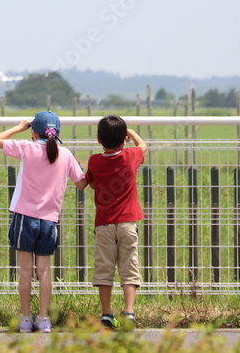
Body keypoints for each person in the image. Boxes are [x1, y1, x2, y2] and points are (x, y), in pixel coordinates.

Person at [0, 111, 85, 333]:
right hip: (49, 220)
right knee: (44, 271)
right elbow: (81, 183)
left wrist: (18, 126)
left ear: (34, 132)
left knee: (25, 270)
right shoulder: (67, 154)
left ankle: (25, 318)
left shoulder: (27, 148)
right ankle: (43, 319)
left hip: (25, 217)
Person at [81, 115, 148, 329]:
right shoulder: (131, 156)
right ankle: (128, 312)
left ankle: (107, 313)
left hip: (104, 224)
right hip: (128, 223)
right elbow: (143, 145)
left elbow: (90, 183)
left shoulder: (95, 160)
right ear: (124, 139)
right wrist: (131, 133)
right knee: (129, 267)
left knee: (104, 268)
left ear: (98, 139)